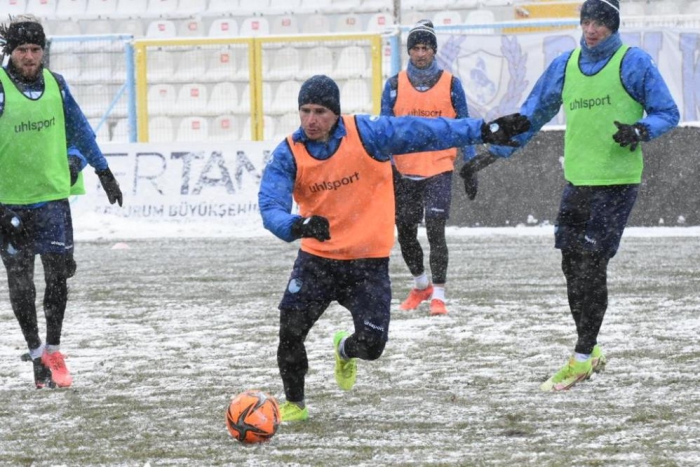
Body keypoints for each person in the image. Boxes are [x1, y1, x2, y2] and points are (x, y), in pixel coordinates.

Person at [258, 74, 530, 421]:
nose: (311, 120)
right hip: (317, 261)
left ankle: (344, 349)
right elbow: (270, 206)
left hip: (367, 264)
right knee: (290, 333)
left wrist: (482, 131)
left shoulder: (368, 134)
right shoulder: (288, 153)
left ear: (336, 113)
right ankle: (295, 405)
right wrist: (298, 225)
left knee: (372, 346)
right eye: (305, 110)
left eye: (320, 112)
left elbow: (424, 131)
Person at [461, 0, 679, 391]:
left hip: (616, 183)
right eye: (586, 21)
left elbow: (667, 112)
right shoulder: (565, 65)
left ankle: (580, 358)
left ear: (614, 26)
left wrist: (640, 130)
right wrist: (491, 154)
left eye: (600, 23)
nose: (591, 30)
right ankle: (590, 350)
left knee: (591, 265)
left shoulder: (633, 62)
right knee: (571, 265)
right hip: (578, 181)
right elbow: (532, 115)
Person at [0, 16, 123, 389]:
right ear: (10, 51)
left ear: (43, 51)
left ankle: (53, 351)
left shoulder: (57, 85)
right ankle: (36, 353)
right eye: (22, 49)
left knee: (59, 276)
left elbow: (81, 130)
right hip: (10, 203)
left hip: (52, 200)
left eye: (35, 49)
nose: (29, 56)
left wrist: (103, 171)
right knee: (21, 281)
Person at [381, 19, 477, 316]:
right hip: (404, 172)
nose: (420, 54)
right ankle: (420, 284)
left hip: (438, 169)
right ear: (409, 51)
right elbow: (383, 131)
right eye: (416, 48)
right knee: (405, 233)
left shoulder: (451, 84)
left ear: (434, 50)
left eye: (425, 48)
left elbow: (465, 125)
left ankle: (439, 296)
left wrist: (470, 164)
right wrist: (382, 167)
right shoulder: (394, 86)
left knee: (436, 230)